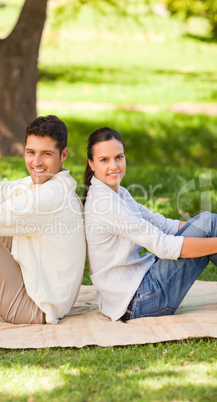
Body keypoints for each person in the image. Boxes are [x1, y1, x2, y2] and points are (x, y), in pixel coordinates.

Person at [0, 115, 86, 325]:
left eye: (46, 154)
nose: (36, 162)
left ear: (63, 154)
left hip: (35, 307)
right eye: (31, 152)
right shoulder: (46, 182)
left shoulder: (50, 196)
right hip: (36, 286)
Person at [83, 127, 217, 322]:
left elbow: (161, 224)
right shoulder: (105, 204)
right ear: (91, 164)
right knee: (208, 223)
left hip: (133, 292)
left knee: (207, 222)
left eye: (119, 157)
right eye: (104, 160)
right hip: (140, 302)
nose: (114, 166)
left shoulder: (116, 192)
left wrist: (203, 228)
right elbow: (164, 247)